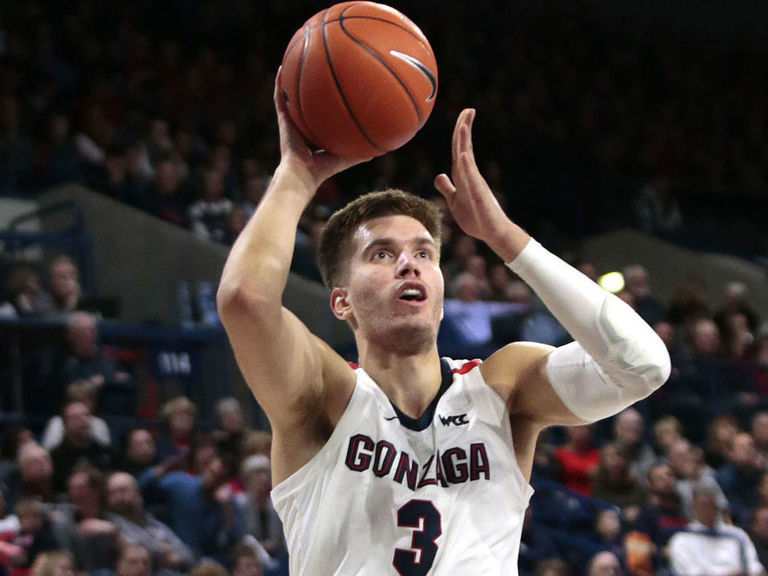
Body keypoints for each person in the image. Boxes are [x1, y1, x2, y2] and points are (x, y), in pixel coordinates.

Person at [216, 73, 671, 574]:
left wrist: (506, 240)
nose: (408, 265)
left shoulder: (503, 387)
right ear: (341, 302)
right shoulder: (322, 393)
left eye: (424, 253)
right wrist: (298, 177)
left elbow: (643, 367)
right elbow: (245, 299)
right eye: (381, 254)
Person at [104, 472, 194, 573]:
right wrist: (162, 552)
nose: (118, 497)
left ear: (138, 494)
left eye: (123, 491)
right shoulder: (109, 524)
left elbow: (187, 555)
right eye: (112, 493)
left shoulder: (155, 524)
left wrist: (176, 558)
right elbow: (135, 549)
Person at [667, 484, 765, 576]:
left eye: (711, 505)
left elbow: (754, 567)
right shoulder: (681, 539)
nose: (707, 510)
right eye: (703, 505)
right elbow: (691, 573)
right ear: (693, 508)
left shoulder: (737, 535)